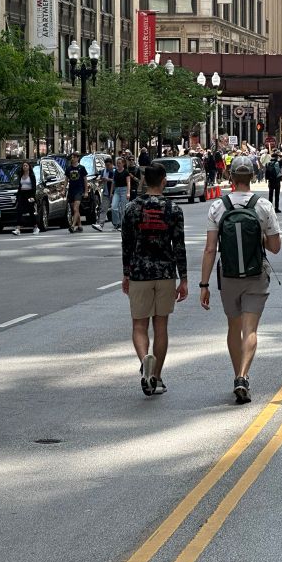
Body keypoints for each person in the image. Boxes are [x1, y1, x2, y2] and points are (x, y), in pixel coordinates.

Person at [199, 155, 281, 404]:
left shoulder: (218, 207)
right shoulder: (263, 206)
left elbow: (211, 249)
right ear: (253, 176)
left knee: (233, 327)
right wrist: (260, 239)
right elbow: (275, 247)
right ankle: (244, 376)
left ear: (231, 178)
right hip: (256, 275)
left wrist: (204, 285)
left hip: (229, 276)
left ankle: (237, 373)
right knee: (250, 329)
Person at [121, 162, 188, 396]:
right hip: (165, 273)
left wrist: (126, 274)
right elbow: (179, 245)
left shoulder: (131, 209)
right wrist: (184, 278)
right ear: (163, 181)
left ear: (143, 181)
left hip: (139, 272)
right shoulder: (173, 209)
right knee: (161, 327)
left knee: (139, 325)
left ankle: (144, 361)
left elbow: (126, 245)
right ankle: (156, 377)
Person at [12, 161, 39, 236]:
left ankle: (36, 227)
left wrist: (33, 197)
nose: (25, 167)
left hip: (29, 194)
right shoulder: (21, 175)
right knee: (19, 211)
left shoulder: (32, 176)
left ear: (29, 167)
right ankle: (18, 229)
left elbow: (34, 187)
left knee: (31, 212)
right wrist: (17, 196)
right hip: (22, 194)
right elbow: (20, 187)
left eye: (26, 166)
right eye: (23, 166)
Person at [65, 152, 88, 232]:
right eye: (72, 157)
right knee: (74, 209)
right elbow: (66, 179)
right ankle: (80, 225)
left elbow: (85, 180)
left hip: (79, 190)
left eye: (74, 157)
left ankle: (72, 226)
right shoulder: (69, 168)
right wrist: (63, 189)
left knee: (75, 208)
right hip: (71, 190)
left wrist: (86, 191)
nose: (73, 158)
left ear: (78, 158)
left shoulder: (82, 168)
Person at [92, 156, 115, 232]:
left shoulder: (115, 171)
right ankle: (100, 224)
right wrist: (100, 180)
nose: (107, 167)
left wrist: (108, 179)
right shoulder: (103, 171)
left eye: (108, 165)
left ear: (112, 164)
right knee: (103, 209)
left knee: (116, 209)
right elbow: (100, 180)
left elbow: (117, 181)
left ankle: (118, 224)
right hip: (106, 193)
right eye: (106, 165)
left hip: (115, 193)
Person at [111, 155, 132, 230]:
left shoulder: (126, 172)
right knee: (114, 207)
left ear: (123, 164)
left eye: (119, 163)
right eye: (117, 163)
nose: (118, 164)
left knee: (123, 209)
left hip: (124, 190)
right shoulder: (115, 171)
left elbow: (128, 182)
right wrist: (111, 192)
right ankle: (117, 223)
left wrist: (128, 192)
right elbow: (113, 182)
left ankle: (123, 225)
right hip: (117, 190)